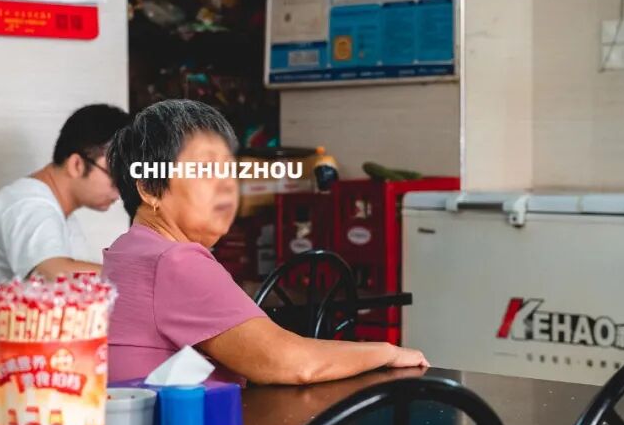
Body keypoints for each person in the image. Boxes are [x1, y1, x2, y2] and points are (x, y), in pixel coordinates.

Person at [103, 99, 429, 384]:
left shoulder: (127, 250)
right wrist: (387, 353)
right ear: (149, 188)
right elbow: (288, 362)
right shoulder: (174, 261)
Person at [0, 104, 131, 302]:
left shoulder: (62, 214)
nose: (121, 190)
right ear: (77, 165)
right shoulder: (27, 202)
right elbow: (54, 276)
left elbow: (89, 283)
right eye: (116, 177)